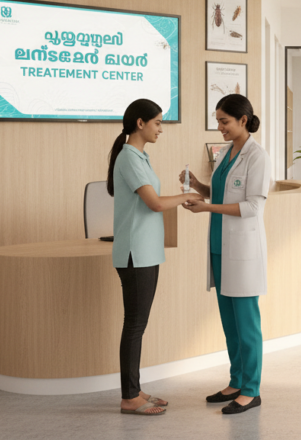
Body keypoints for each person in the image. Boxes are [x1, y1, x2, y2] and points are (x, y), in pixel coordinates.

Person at [108, 99, 201, 416]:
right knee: (134, 325)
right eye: (158, 122)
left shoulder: (139, 157)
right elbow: (155, 204)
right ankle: (129, 397)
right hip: (135, 254)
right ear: (140, 123)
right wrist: (187, 195)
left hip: (146, 253)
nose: (161, 128)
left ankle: (134, 390)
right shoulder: (129, 158)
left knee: (138, 323)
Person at [181, 94, 272, 414]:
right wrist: (198, 186)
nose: (219, 126)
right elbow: (219, 193)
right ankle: (236, 380)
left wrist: (206, 207)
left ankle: (252, 389)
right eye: (217, 120)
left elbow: (252, 206)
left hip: (243, 250)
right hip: (220, 247)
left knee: (247, 323)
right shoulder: (225, 153)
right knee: (229, 322)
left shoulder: (257, 156)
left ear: (243, 120)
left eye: (224, 121)